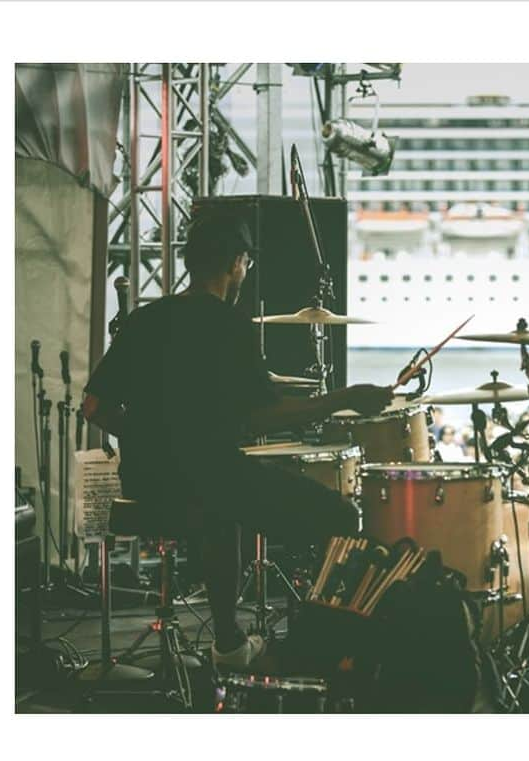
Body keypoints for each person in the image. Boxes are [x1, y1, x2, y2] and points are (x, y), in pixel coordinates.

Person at [82, 209, 394, 669]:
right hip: (211, 475)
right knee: (340, 516)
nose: (246, 271)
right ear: (235, 263)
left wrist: (151, 436)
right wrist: (342, 399)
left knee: (222, 510)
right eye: (246, 262)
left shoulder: (146, 319)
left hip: (146, 482)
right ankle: (317, 645)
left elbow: (93, 406)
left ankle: (229, 642)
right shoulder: (229, 327)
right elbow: (260, 417)